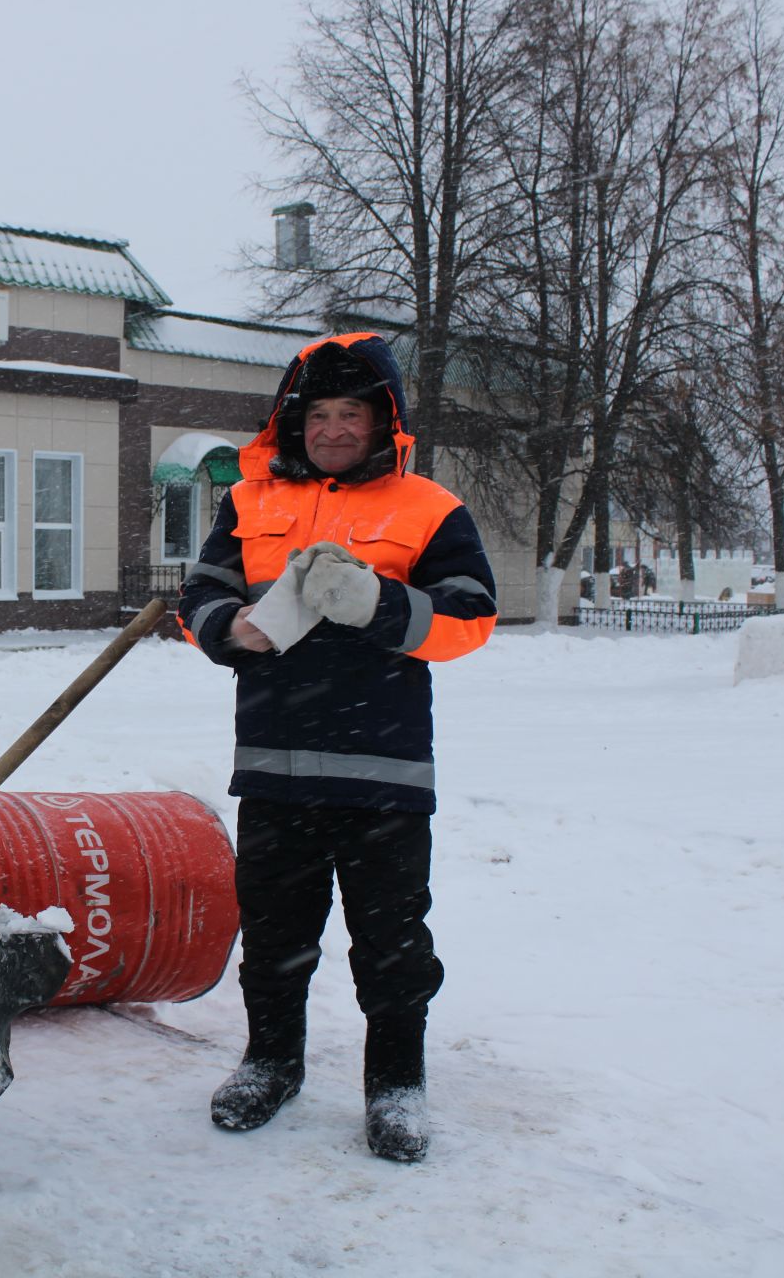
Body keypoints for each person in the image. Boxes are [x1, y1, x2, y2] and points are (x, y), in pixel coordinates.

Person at [177, 333, 497, 1162]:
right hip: (275, 769)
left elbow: (469, 617)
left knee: (392, 946)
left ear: (381, 419)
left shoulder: (429, 508)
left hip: (382, 774)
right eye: (317, 412)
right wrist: (228, 627)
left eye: (350, 411)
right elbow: (202, 591)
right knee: (276, 934)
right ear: (295, 420)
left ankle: (396, 1084)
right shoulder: (250, 503)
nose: (332, 427)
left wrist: (381, 606)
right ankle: (271, 1062)